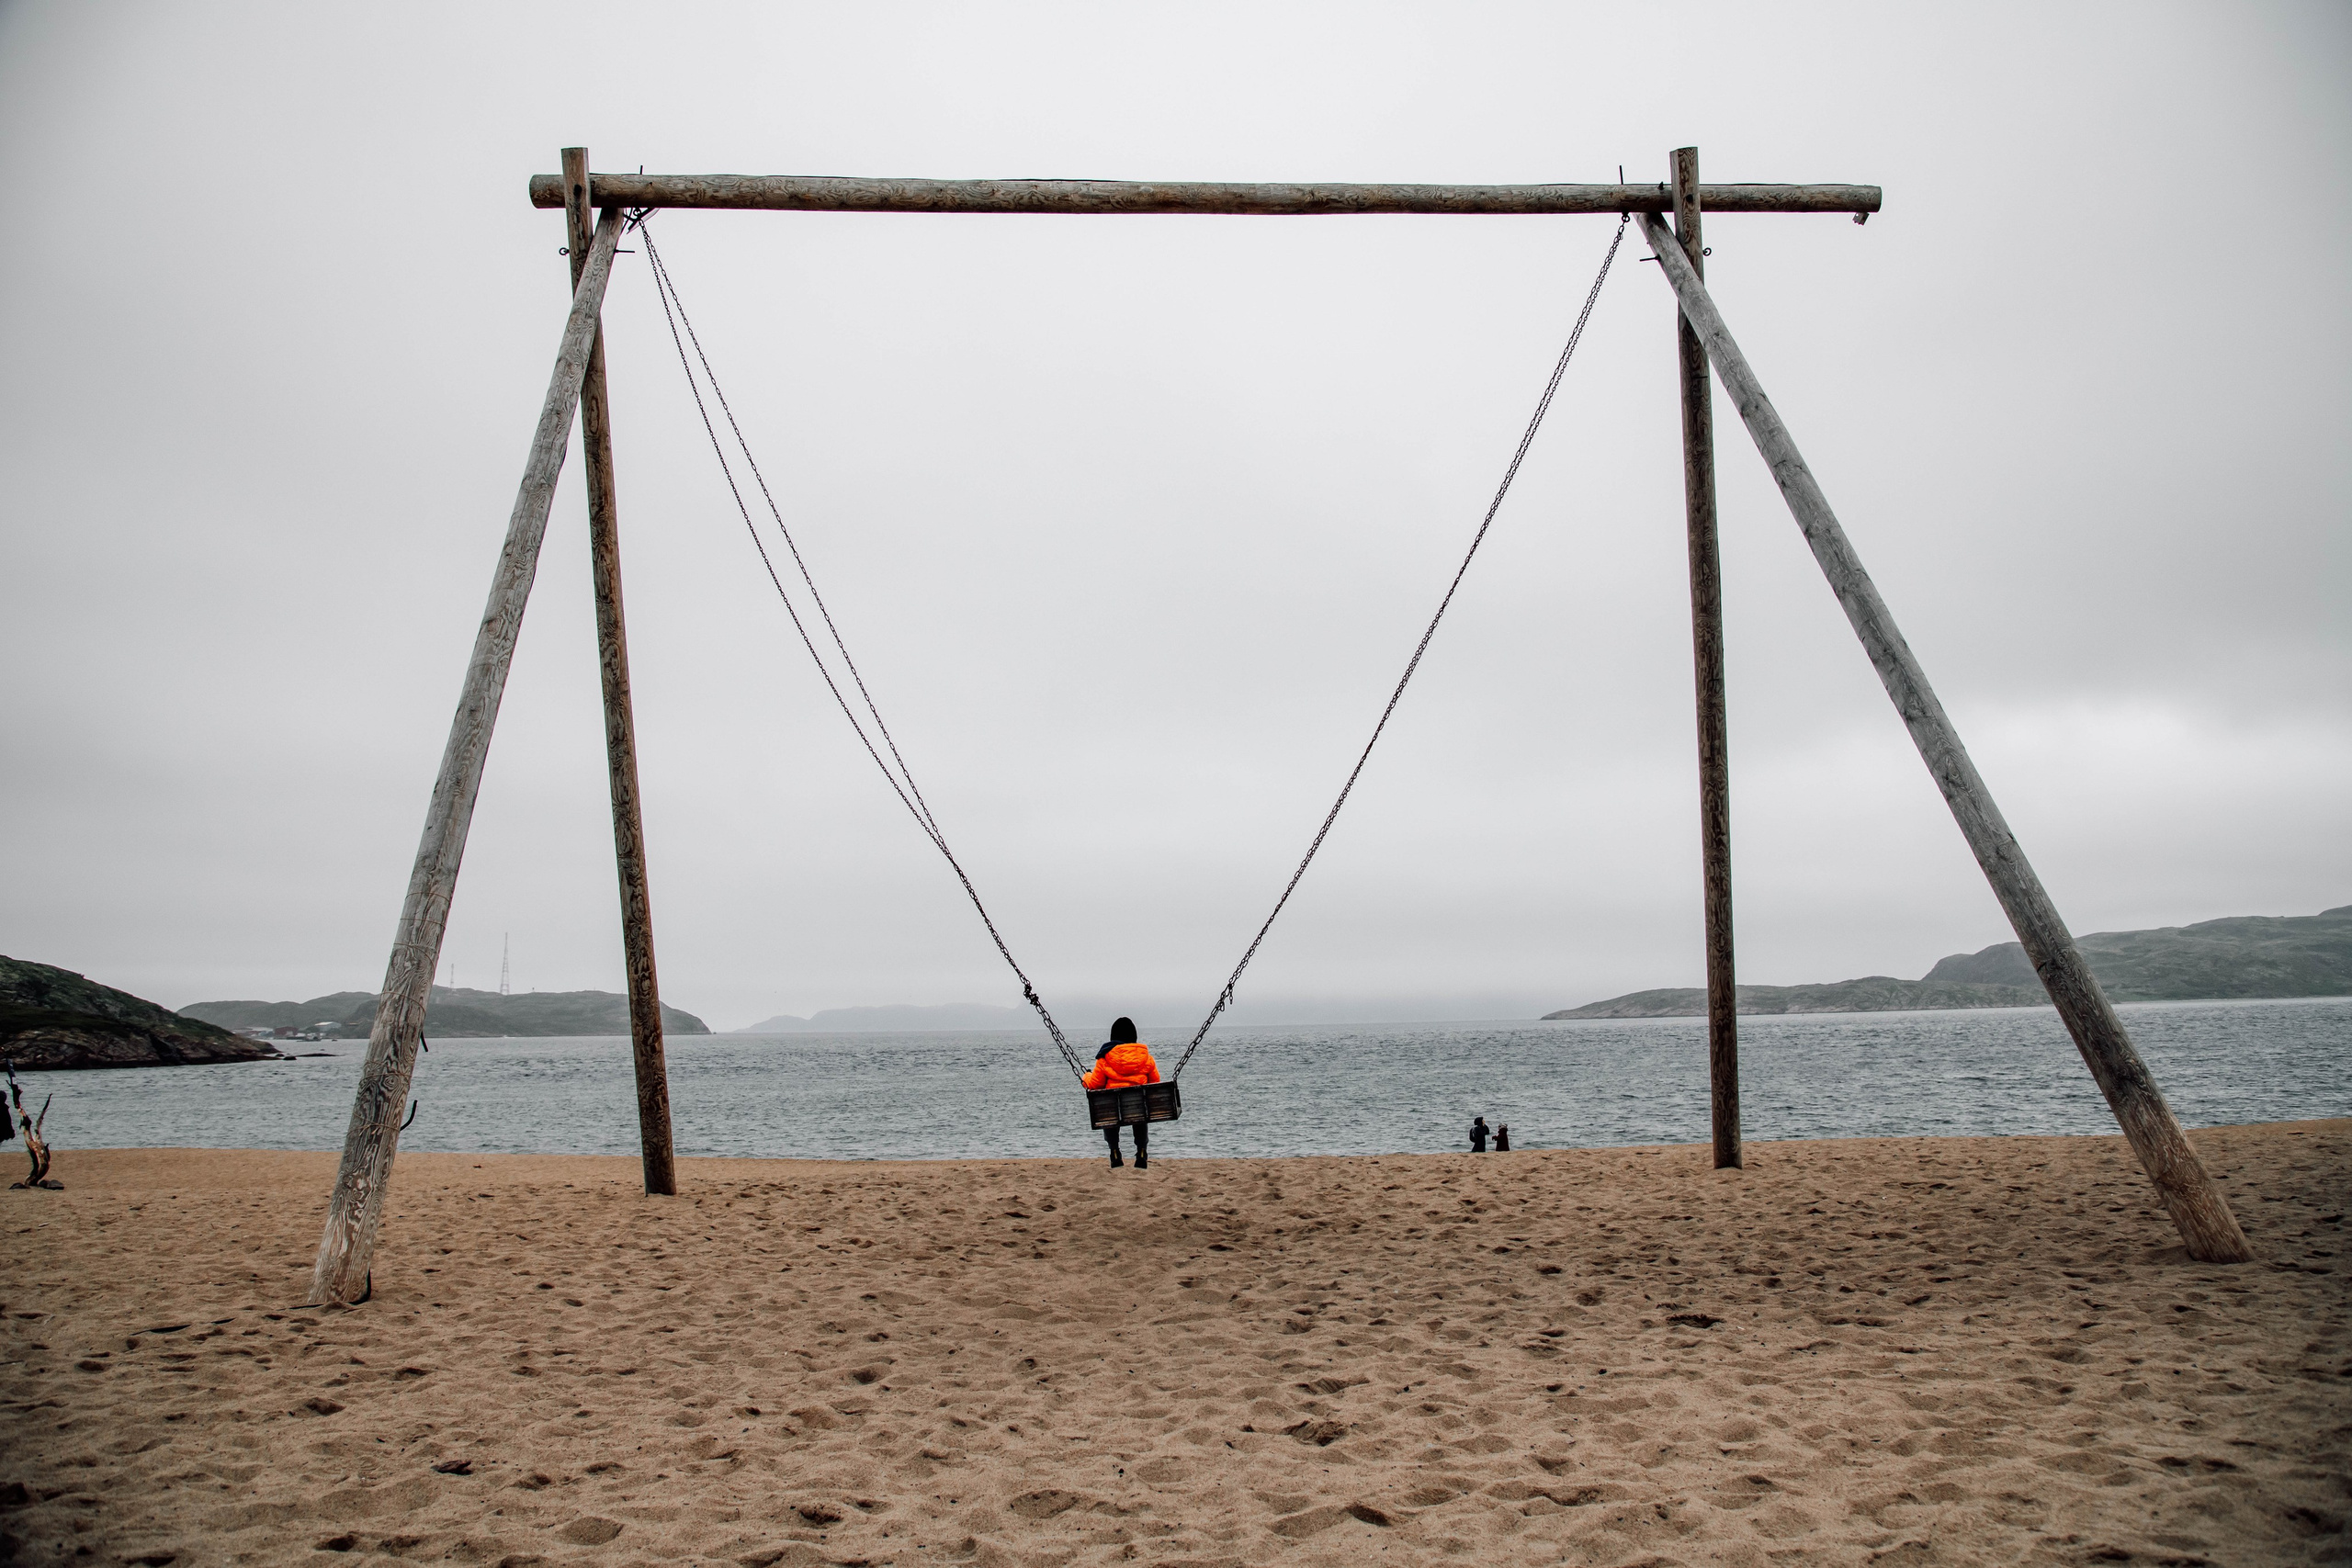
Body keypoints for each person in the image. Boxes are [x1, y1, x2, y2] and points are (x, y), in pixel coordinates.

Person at [1083, 1016, 1160, 1170]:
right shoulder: (1147, 1059)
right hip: (1138, 1109)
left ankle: (1114, 1150)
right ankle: (1142, 1150)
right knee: (1140, 1110)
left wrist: (1086, 1076)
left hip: (1113, 1109)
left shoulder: (1105, 1059)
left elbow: (1095, 1085)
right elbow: (1155, 1084)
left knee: (1108, 1109)